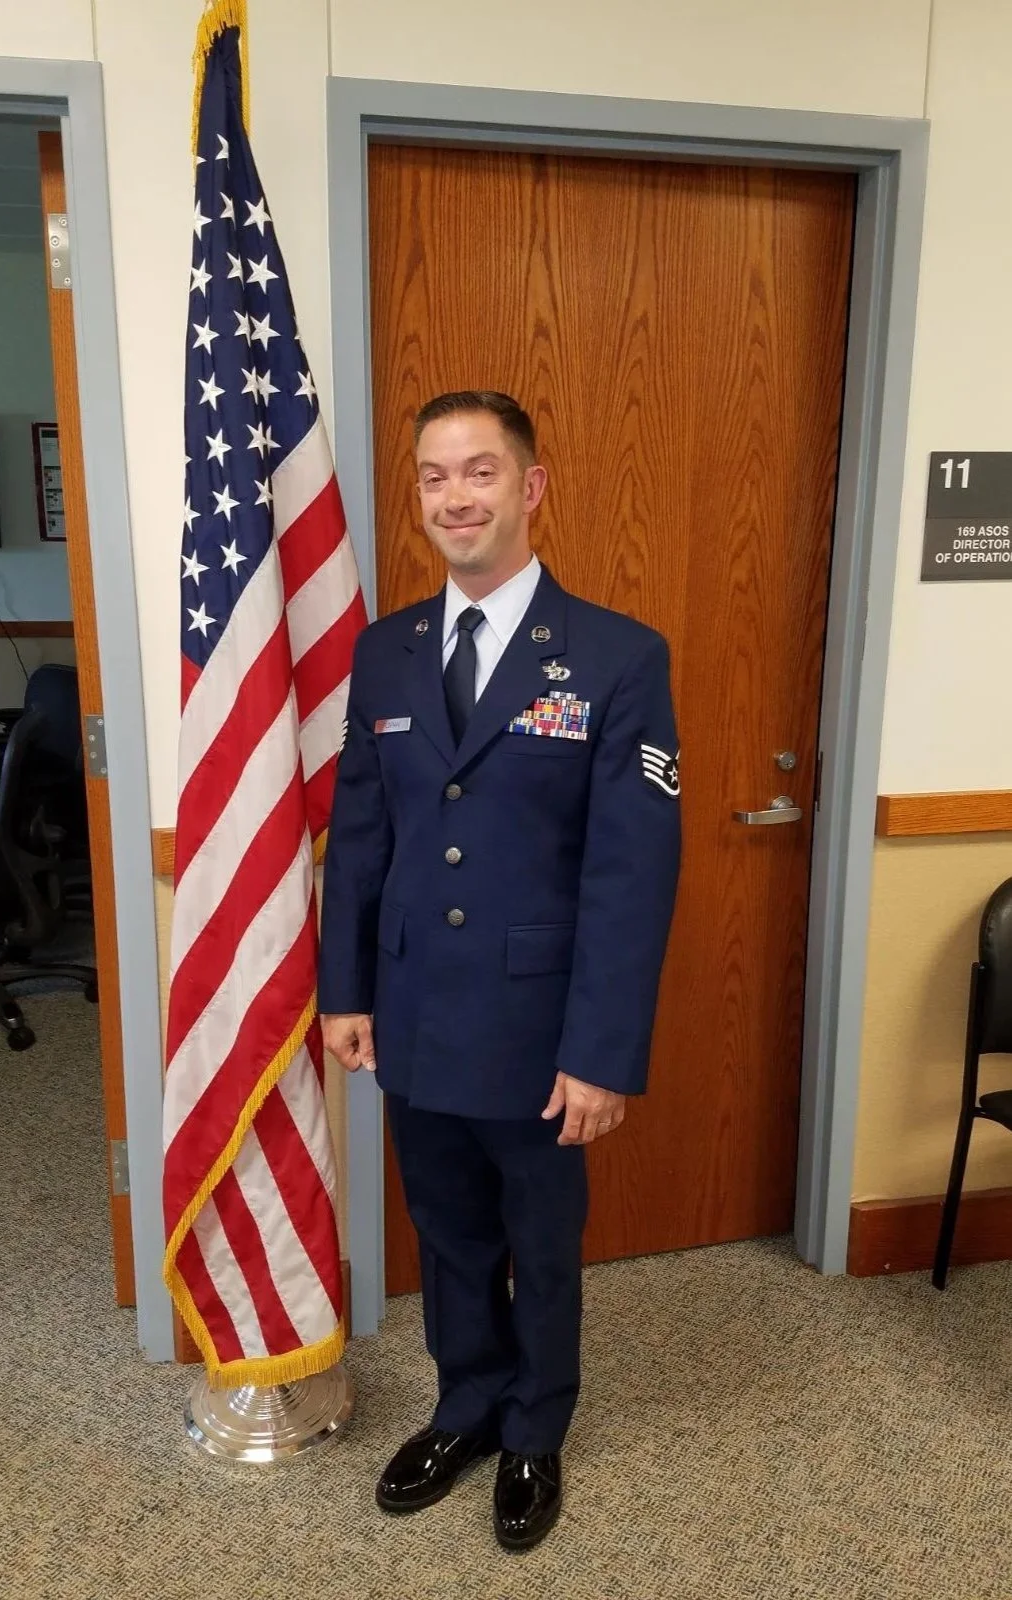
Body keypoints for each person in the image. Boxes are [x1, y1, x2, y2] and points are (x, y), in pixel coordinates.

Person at [318, 391, 681, 1552]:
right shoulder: (386, 653)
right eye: (433, 476)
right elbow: (361, 834)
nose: (454, 496)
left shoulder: (618, 657)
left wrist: (601, 1052)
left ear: (531, 487)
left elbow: (632, 874)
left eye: (480, 471)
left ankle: (535, 1425)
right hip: (416, 1016)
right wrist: (346, 989)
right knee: (449, 1231)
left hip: (539, 1033)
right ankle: (467, 1402)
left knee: (541, 1237)